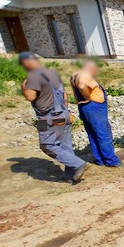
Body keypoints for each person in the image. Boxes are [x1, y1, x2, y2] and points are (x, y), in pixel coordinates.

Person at [19, 52, 89, 183]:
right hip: (64, 114)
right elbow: (65, 96)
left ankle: (78, 164)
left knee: (46, 145)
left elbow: (30, 96)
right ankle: (70, 175)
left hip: (47, 118)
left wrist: (23, 86)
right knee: (65, 146)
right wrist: (65, 112)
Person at [71, 60, 122, 167]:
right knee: (103, 134)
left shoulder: (74, 75)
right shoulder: (84, 75)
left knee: (93, 134)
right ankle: (111, 161)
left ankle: (100, 160)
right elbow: (81, 86)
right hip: (94, 107)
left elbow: (75, 94)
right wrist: (88, 98)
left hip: (85, 107)